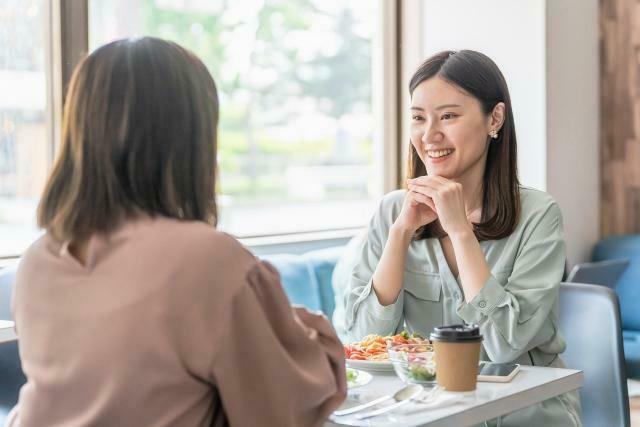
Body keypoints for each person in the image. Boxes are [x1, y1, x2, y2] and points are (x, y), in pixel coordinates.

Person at [8, 37, 346, 427]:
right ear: (192, 135)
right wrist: (306, 331)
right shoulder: (207, 260)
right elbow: (286, 407)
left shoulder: (36, 262)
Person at [344, 50, 581, 426]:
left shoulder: (539, 215)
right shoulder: (392, 213)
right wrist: (401, 232)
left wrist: (460, 230)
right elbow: (364, 340)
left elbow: (504, 344)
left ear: (495, 118)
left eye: (449, 116)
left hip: (524, 415)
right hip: (433, 416)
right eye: (419, 118)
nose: (429, 135)